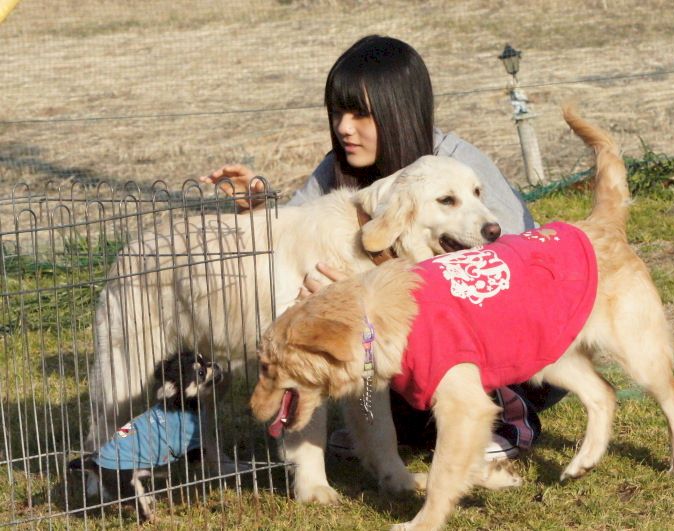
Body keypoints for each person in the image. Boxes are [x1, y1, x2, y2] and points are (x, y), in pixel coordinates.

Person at [203, 35, 565, 460]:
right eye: (337, 112)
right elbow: (296, 240)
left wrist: (364, 294)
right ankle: (408, 430)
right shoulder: (339, 165)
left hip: (519, 345)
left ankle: (508, 416)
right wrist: (261, 209)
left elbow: (520, 269)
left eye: (360, 114)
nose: (344, 127)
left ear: (400, 111)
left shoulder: (455, 165)